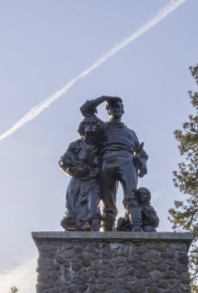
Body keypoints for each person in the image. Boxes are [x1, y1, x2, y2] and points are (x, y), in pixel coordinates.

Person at [79, 95, 147, 231]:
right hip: (107, 161)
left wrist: (143, 162)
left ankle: (137, 227)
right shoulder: (102, 127)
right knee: (107, 201)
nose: (115, 109)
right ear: (108, 111)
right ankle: (107, 232)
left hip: (127, 161)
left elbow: (143, 153)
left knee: (131, 195)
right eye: (112, 107)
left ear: (123, 111)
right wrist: (105, 97)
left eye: (118, 107)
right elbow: (85, 109)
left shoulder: (130, 133)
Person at [58, 116, 102, 231]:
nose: (91, 126)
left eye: (94, 124)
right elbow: (64, 161)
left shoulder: (100, 147)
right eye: (88, 124)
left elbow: (106, 165)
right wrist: (72, 170)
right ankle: (75, 224)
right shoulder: (76, 145)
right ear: (83, 128)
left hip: (93, 179)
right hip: (77, 178)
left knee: (93, 202)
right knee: (72, 203)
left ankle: (94, 227)